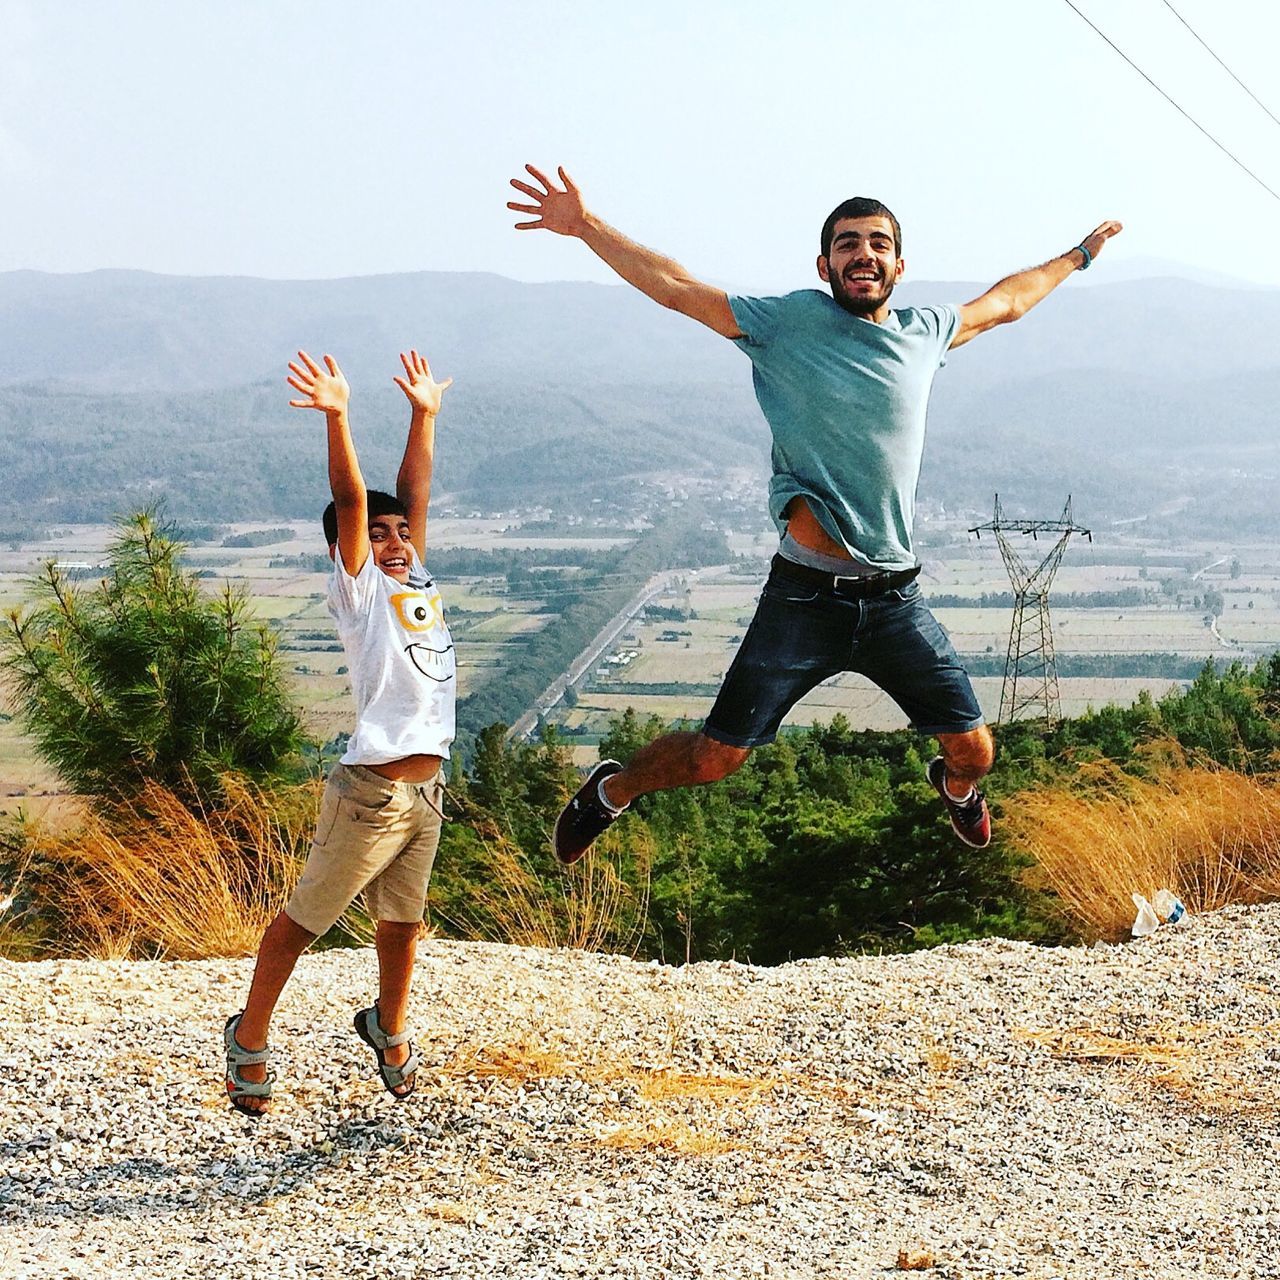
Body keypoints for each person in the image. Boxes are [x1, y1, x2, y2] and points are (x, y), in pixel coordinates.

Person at [508, 164, 1121, 862]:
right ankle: (611, 791)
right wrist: (586, 225)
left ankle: (955, 792)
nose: (864, 253)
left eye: (878, 242)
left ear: (899, 264)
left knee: (975, 752)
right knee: (716, 757)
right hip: (802, 598)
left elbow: (1008, 301)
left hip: (894, 598)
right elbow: (677, 289)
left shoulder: (926, 332)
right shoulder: (788, 322)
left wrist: (1077, 257)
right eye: (848, 242)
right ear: (825, 263)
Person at [223, 348, 456, 1116]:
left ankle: (387, 1029)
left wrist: (424, 416)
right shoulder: (357, 590)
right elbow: (351, 499)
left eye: (401, 533)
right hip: (372, 794)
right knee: (303, 924)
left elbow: (409, 495)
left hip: (426, 791)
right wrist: (339, 416)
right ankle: (248, 1039)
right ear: (346, 552)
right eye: (378, 535)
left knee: (403, 924)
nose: (394, 539)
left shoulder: (412, 578)